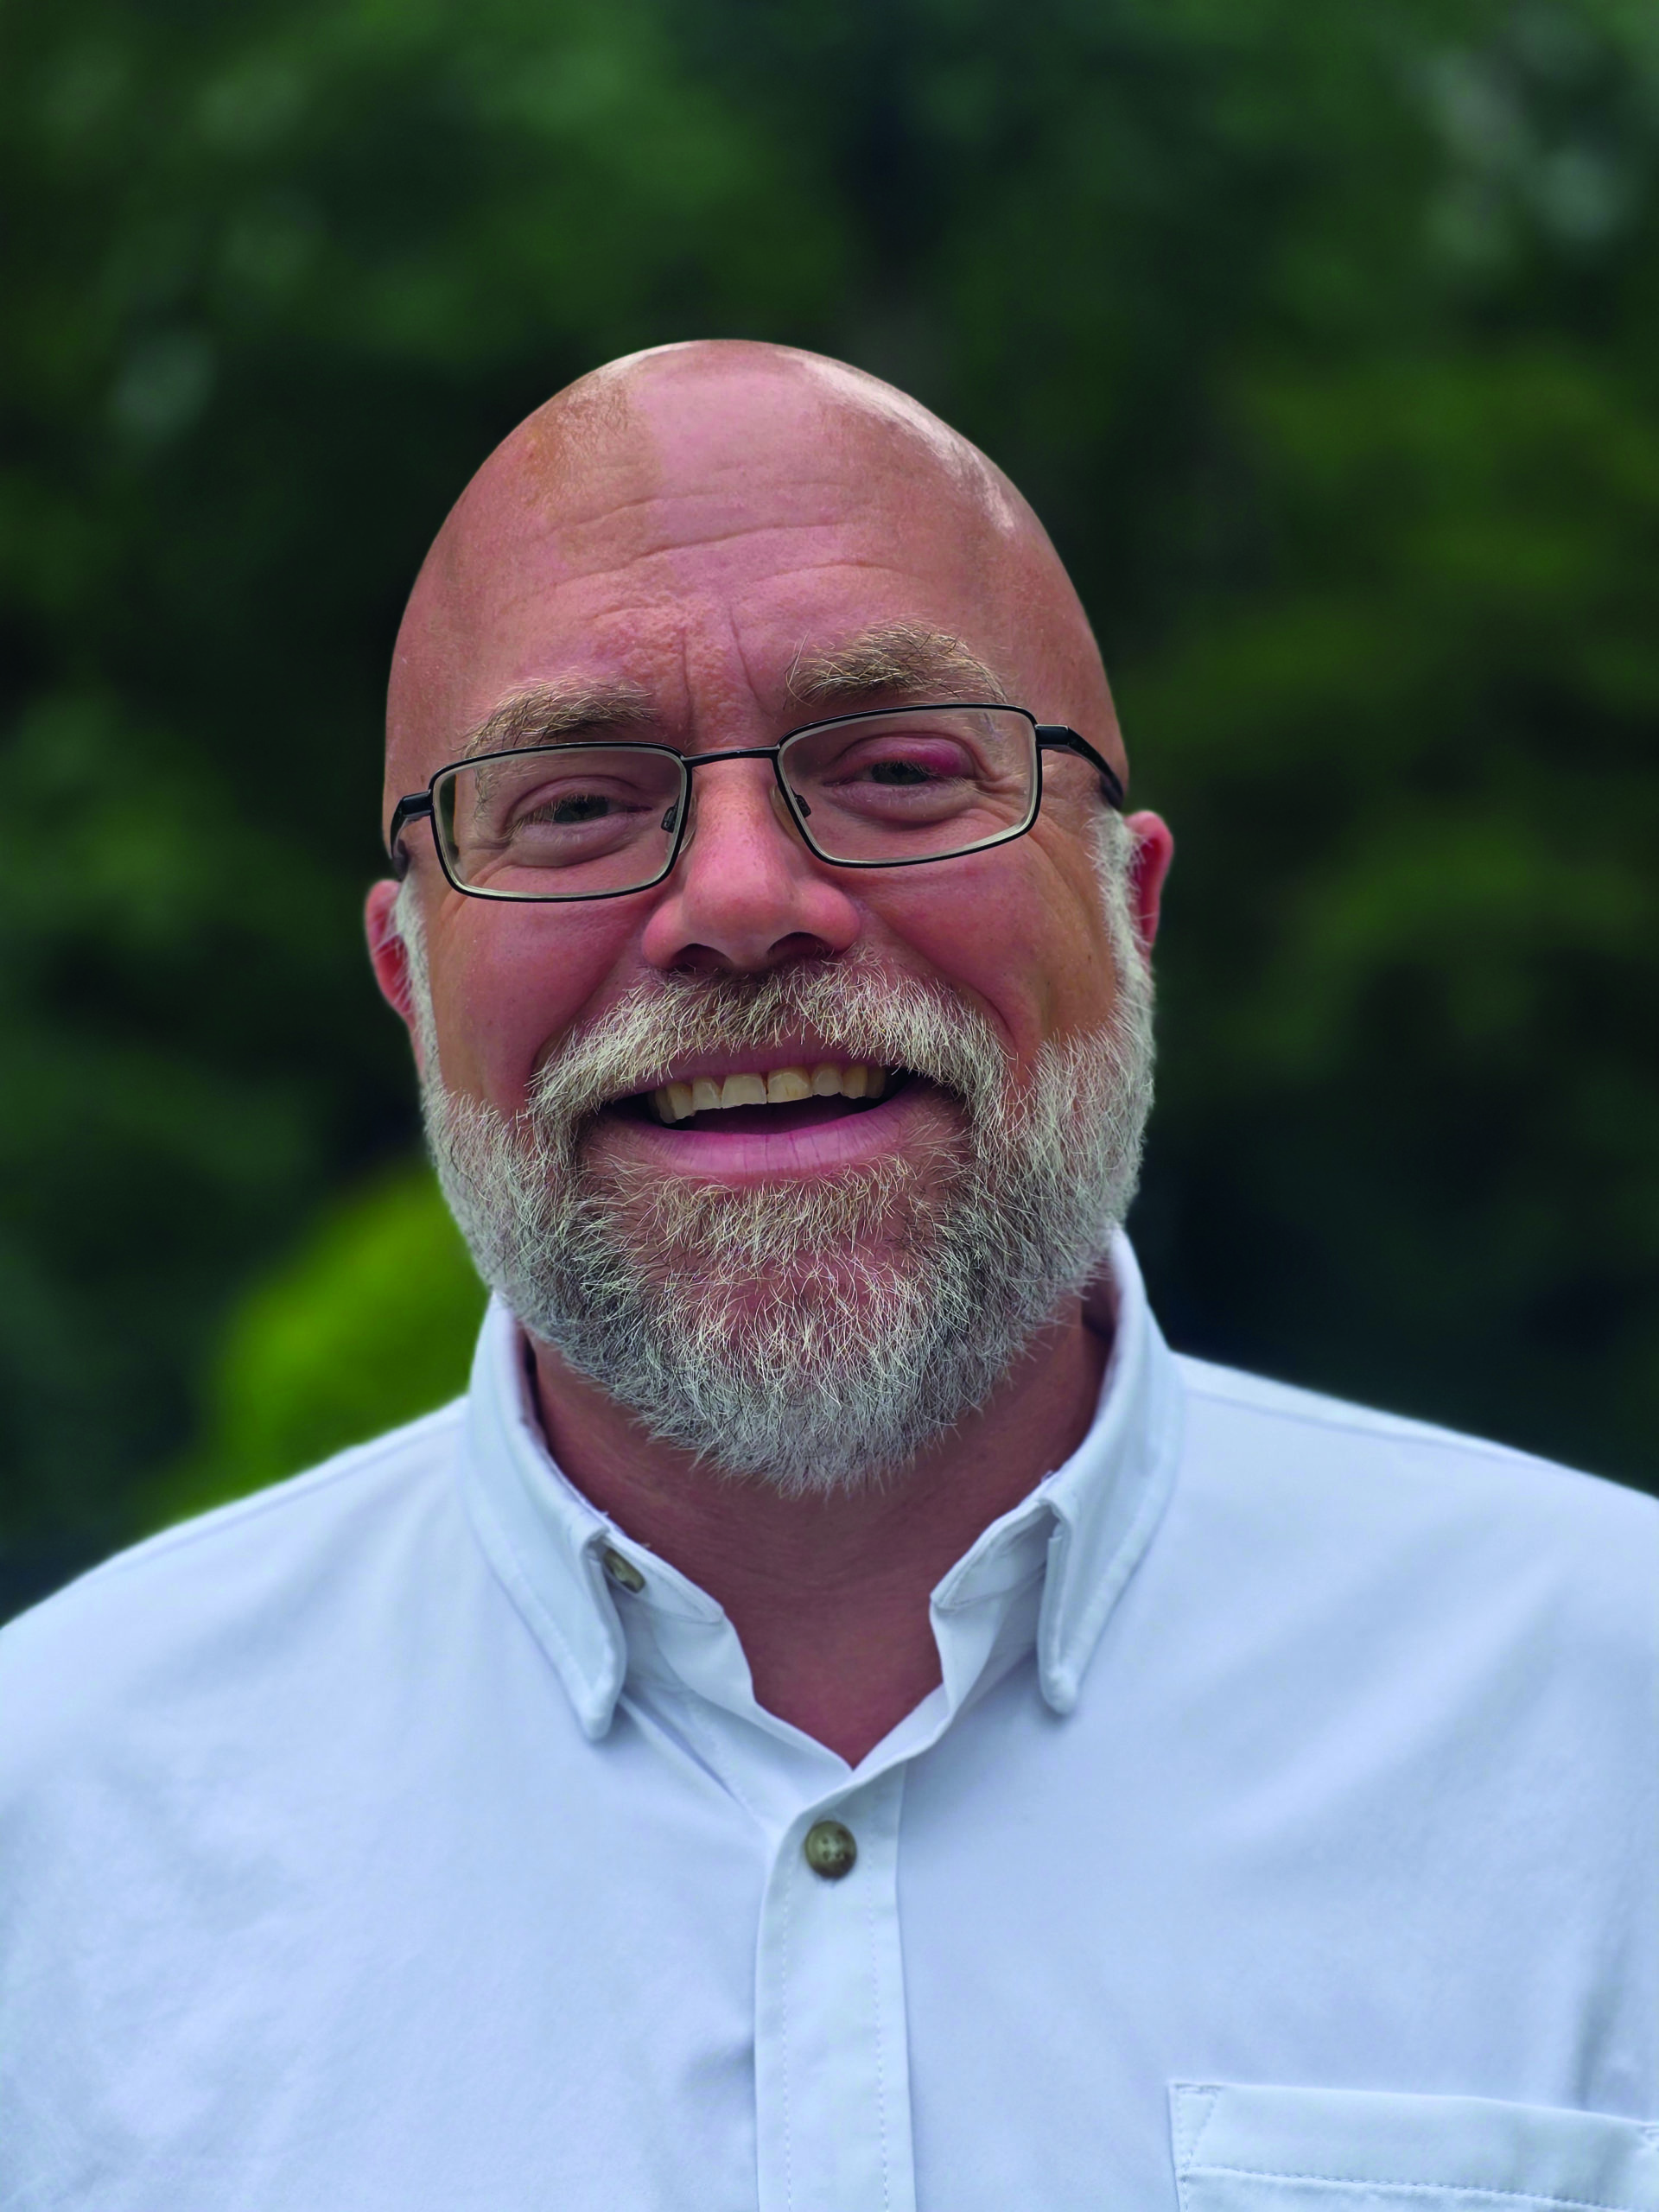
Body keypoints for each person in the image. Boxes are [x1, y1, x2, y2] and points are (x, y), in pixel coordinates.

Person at [2, 341, 1655, 2212]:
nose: (739, 899)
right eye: (575, 804)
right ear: (409, 977)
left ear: (1131, 902)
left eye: (897, 770)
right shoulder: (51, 1841)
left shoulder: (1616, 1732)